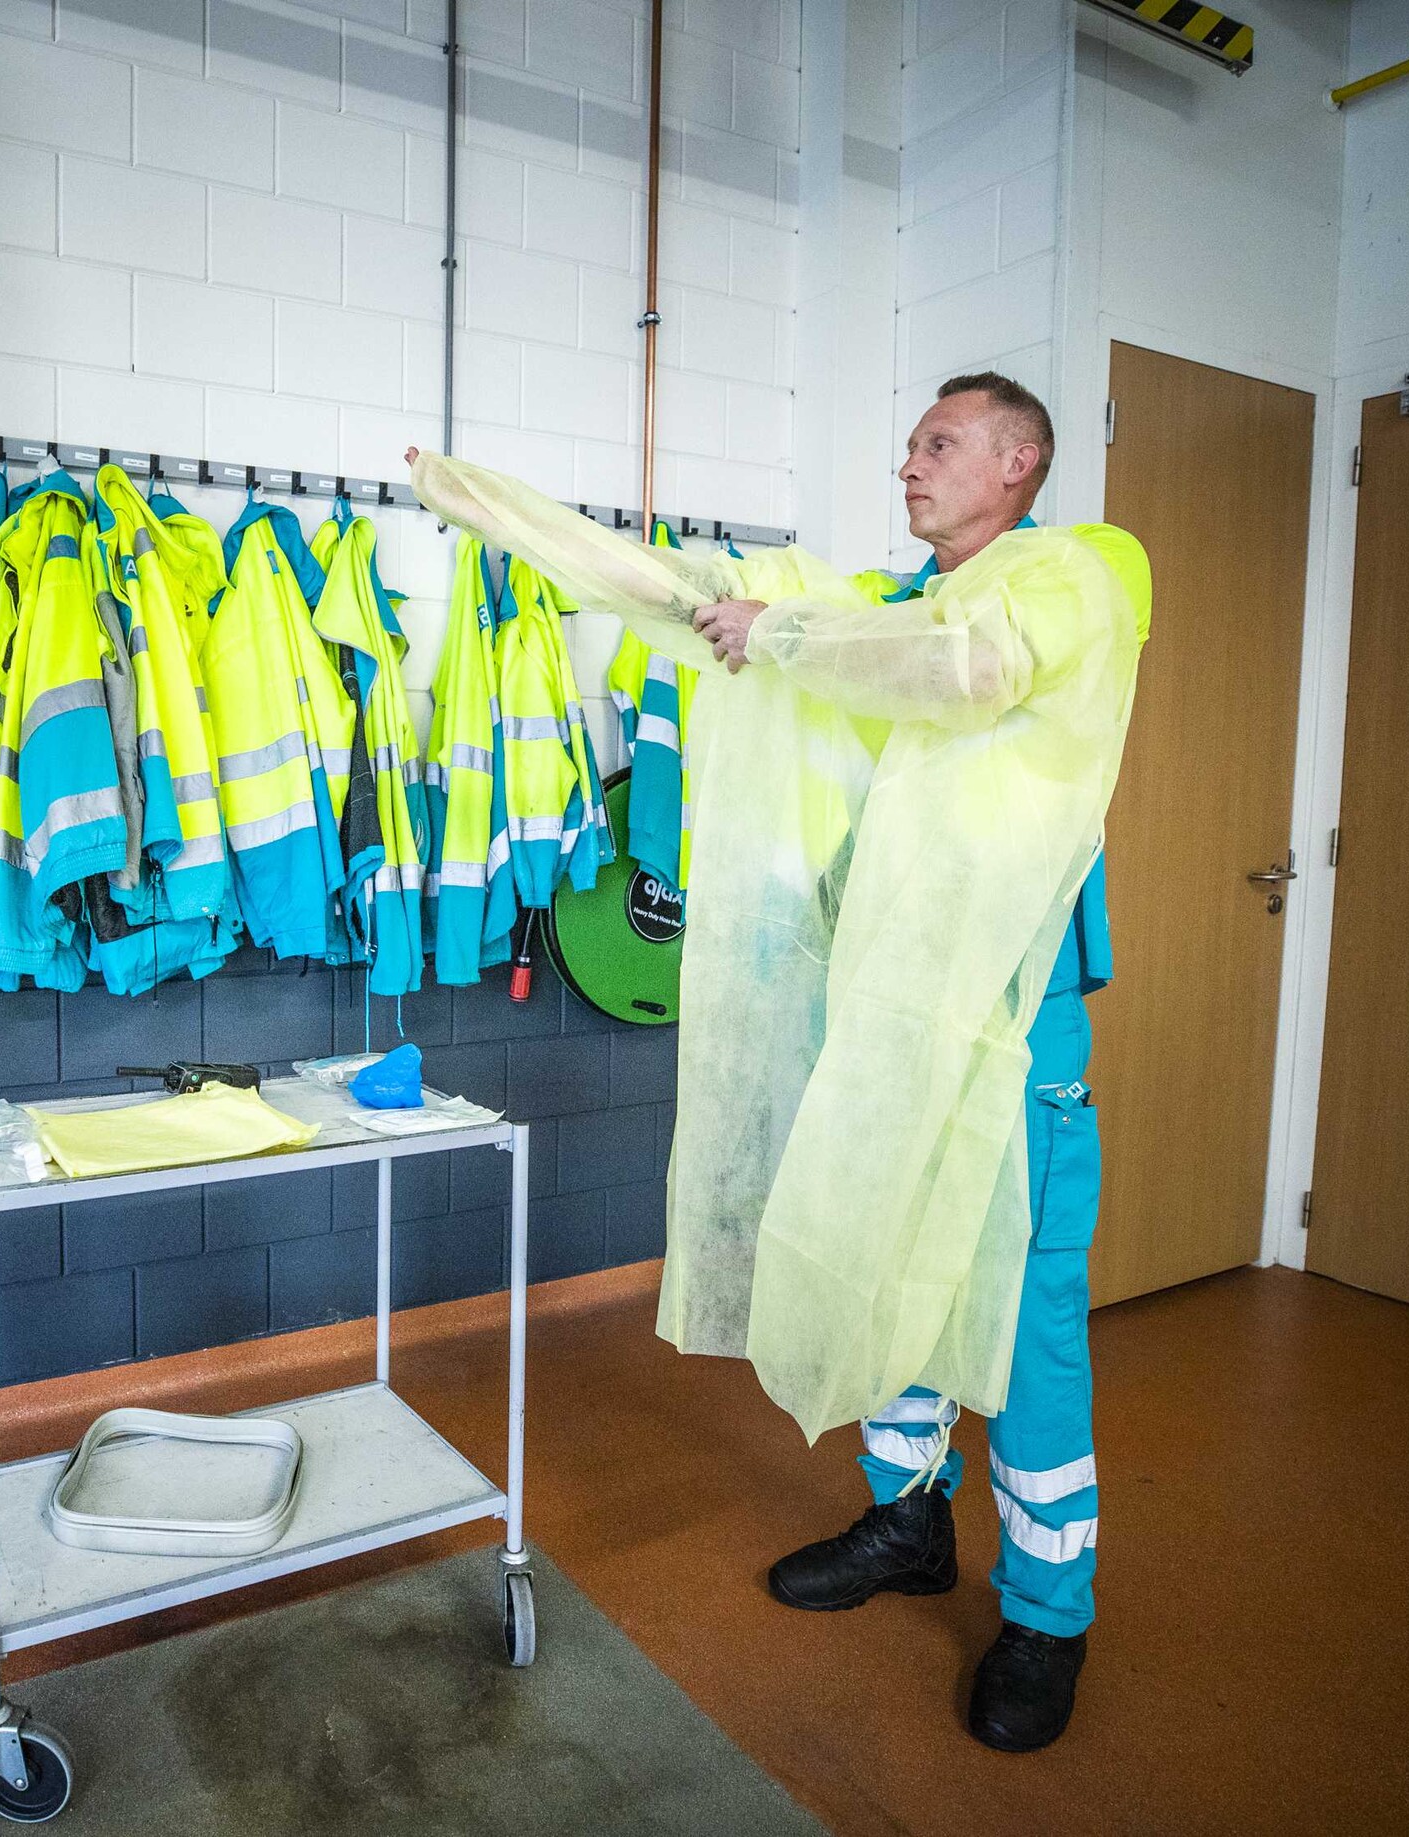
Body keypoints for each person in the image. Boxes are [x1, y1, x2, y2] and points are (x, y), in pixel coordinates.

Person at [407, 371, 1145, 1755]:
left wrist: (787, 629)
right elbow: (760, 620)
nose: (908, 462)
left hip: (1011, 1034)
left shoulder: (1080, 579)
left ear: (1019, 462)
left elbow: (956, 672)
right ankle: (908, 1518)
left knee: (1029, 1339)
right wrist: (559, 542)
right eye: (912, 442)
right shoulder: (897, 596)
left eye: (938, 443)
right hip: (890, 1015)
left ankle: (1050, 1614)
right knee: (886, 1266)